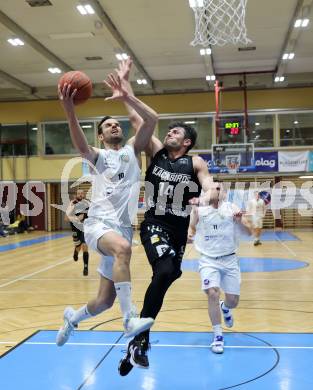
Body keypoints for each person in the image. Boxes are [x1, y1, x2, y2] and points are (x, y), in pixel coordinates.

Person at [55, 59, 158, 347]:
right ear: (100, 135)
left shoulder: (132, 150)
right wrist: (69, 109)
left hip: (122, 228)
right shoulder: (99, 156)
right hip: (99, 225)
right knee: (123, 248)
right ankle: (130, 320)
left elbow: (152, 120)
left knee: (104, 301)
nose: (114, 126)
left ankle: (72, 319)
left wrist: (127, 92)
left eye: (116, 123)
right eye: (108, 126)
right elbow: (80, 145)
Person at [118, 91, 212, 373]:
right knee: (164, 270)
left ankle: (136, 341)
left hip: (179, 230)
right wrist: (125, 93)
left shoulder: (194, 163)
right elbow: (138, 120)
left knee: (169, 273)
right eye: (169, 130)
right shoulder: (156, 152)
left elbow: (210, 185)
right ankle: (141, 339)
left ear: (186, 142)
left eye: (176, 132)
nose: (169, 132)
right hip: (154, 224)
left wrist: (204, 198)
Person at [188, 181, 250, 354]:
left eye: (218, 188)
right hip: (208, 260)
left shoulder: (232, 208)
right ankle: (217, 335)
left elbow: (249, 233)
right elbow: (191, 229)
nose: (215, 191)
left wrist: (239, 222)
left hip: (230, 260)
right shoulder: (199, 209)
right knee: (213, 292)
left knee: (233, 301)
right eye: (211, 188)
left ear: (224, 193)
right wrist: (190, 234)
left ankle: (226, 307)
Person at [64, 188, 90, 276]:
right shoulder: (72, 204)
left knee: (85, 246)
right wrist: (77, 219)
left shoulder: (88, 203)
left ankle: (85, 267)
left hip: (84, 228)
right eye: (79, 193)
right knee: (78, 246)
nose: (80, 195)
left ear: (84, 195)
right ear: (76, 194)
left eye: (82, 193)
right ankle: (76, 252)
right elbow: (66, 218)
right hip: (75, 228)